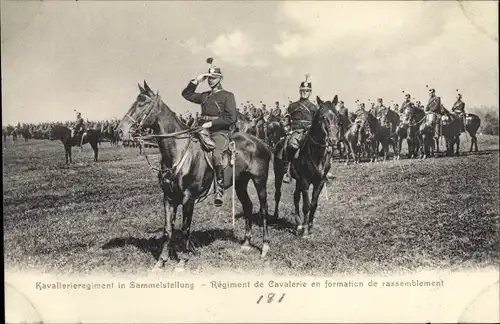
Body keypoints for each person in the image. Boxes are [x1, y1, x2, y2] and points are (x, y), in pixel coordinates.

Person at [181, 62, 237, 207]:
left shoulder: (227, 96)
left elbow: (231, 118)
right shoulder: (204, 96)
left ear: (220, 79)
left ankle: (219, 190)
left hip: (219, 132)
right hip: (202, 131)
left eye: (214, 78)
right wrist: (197, 81)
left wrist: (211, 124)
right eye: (209, 78)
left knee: (217, 154)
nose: (211, 80)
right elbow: (186, 94)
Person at [281, 74, 318, 183]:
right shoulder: (293, 106)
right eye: (303, 90)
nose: (304, 92)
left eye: (307, 90)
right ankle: (286, 171)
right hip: (295, 131)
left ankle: (322, 170)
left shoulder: (313, 107)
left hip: (309, 132)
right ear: (300, 91)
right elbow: (285, 120)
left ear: (310, 92)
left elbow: (316, 123)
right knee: (288, 145)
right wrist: (287, 130)